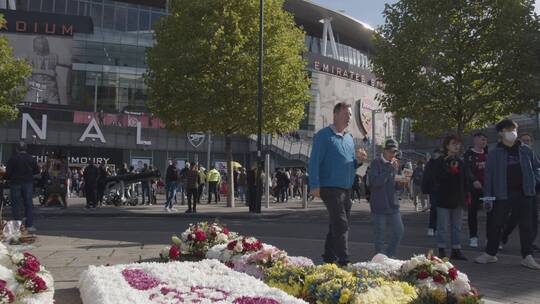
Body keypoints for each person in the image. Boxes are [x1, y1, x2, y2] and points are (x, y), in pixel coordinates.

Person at [308, 102, 368, 266]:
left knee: (337, 223)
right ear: (335, 115)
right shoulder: (323, 136)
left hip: (346, 188)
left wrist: (359, 161)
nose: (349, 117)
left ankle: (328, 257)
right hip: (329, 187)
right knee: (341, 223)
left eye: (349, 114)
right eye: (346, 114)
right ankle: (344, 260)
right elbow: (314, 162)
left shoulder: (349, 138)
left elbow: (350, 164)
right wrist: (314, 185)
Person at [475, 119, 540, 269]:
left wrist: (534, 181)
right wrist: (488, 197)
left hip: (525, 193)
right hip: (502, 194)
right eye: (508, 129)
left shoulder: (526, 150)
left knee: (527, 225)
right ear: (501, 133)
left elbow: (537, 168)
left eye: (514, 129)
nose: (512, 132)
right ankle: (490, 254)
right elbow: (489, 176)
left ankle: (527, 256)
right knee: (496, 224)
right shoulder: (494, 153)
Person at [500, 133, 540, 253]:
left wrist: (535, 180)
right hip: (516, 192)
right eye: (524, 140)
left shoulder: (531, 154)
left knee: (532, 218)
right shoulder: (515, 154)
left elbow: (537, 168)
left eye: (528, 140)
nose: (526, 142)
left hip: (530, 191)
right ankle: (504, 234)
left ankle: (530, 243)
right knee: (514, 218)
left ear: (531, 142)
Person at [368, 139, 405, 257]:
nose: (393, 155)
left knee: (399, 231)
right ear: (384, 150)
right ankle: (379, 262)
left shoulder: (394, 164)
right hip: (379, 205)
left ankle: (389, 256)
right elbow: (375, 183)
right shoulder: (375, 163)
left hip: (393, 204)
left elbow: (394, 186)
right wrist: (390, 169)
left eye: (395, 152)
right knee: (380, 236)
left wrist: (401, 184)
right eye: (390, 151)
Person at [433, 135, 468, 260]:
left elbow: (465, 178)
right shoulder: (440, 161)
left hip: (458, 198)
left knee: (457, 226)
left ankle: (456, 249)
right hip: (444, 198)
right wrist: (449, 169)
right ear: (447, 146)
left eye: (458, 144)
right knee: (443, 226)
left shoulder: (461, 161)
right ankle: (441, 250)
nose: (457, 146)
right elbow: (437, 178)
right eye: (454, 144)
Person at [4, 142, 39, 232]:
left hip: (15, 183)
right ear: (26, 149)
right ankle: (29, 225)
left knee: (16, 205)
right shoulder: (31, 159)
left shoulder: (12, 159)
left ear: (17, 149)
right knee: (28, 204)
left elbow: (8, 173)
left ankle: (17, 226)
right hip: (28, 183)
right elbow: (36, 172)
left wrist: (6, 177)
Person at [463, 132, 488, 248]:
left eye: (485, 140)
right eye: (482, 139)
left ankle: (490, 237)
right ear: (475, 140)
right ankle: (473, 237)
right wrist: (473, 180)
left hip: (487, 189)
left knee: (491, 213)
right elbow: (467, 170)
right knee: (472, 213)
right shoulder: (468, 154)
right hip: (473, 189)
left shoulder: (488, 154)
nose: (484, 141)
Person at [422, 149, 443, 237]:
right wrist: (425, 189)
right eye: (436, 154)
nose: (437, 156)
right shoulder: (430, 164)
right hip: (433, 189)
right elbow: (426, 177)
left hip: (442, 190)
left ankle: (437, 228)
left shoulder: (444, 163)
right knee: (434, 208)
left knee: (440, 210)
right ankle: (432, 227)